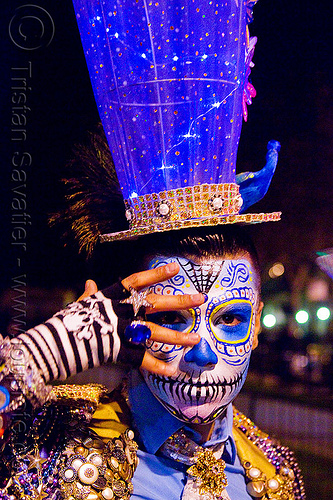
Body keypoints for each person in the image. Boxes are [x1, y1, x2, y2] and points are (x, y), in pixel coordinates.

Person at [0, 225, 305, 499]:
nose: (203, 354)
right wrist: (40, 353)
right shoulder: (51, 442)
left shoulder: (276, 474)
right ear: (133, 321)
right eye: (171, 318)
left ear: (255, 326)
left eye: (230, 318)